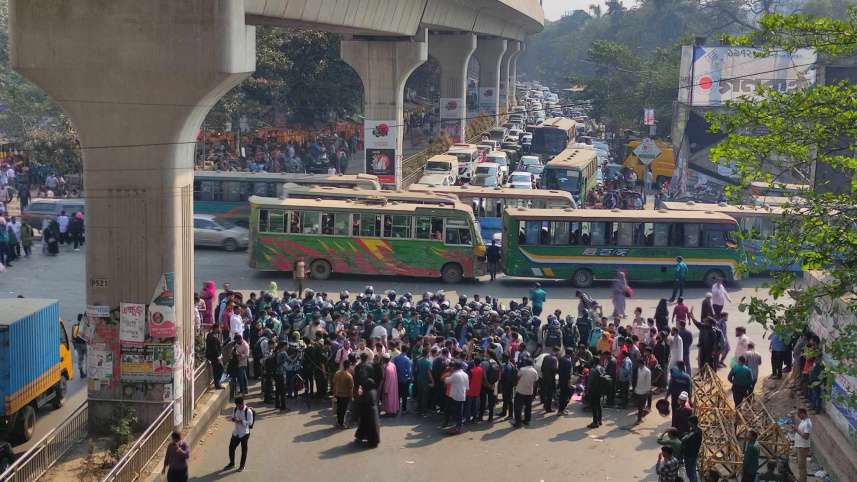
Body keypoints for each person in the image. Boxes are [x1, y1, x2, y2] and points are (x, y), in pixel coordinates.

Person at [224, 396, 253, 472]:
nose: (238, 407)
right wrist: (234, 420)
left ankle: (242, 465)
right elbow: (233, 417)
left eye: (239, 406)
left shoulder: (248, 411)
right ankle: (232, 463)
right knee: (231, 448)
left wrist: (241, 421)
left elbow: (250, 422)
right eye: (237, 406)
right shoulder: (235, 409)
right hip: (236, 432)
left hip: (244, 433)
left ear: (242, 404)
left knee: (244, 450)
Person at [354, 377, 381, 447]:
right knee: (372, 426)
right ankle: (373, 441)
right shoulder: (374, 391)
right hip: (373, 410)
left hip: (368, 411)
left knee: (365, 425)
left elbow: (363, 402)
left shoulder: (368, 393)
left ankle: (365, 438)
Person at [512, 358, 538, 428]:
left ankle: (518, 422)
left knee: (518, 407)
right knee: (528, 407)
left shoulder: (522, 369)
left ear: (526, 363)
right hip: (529, 391)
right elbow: (535, 382)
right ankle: (526, 420)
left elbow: (518, 376)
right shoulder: (535, 371)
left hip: (521, 390)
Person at [444, 360, 469, 433]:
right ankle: (459, 425)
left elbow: (446, 380)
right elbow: (467, 387)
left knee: (449, 409)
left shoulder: (456, 375)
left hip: (454, 395)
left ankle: (448, 421)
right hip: (462, 395)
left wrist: (447, 373)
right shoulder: (465, 374)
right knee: (459, 411)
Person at [333, 359, 354, 428]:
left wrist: (334, 393)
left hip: (338, 394)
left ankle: (339, 422)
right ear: (349, 366)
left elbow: (334, 384)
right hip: (345, 396)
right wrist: (351, 397)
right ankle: (342, 424)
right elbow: (351, 388)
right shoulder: (349, 376)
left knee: (339, 409)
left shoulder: (337, 373)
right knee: (344, 410)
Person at [681, 415, 703, 482]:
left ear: (691, 422)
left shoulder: (693, 432)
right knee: (693, 471)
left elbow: (683, 440)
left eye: (689, 422)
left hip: (689, 454)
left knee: (690, 473)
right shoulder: (699, 430)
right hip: (694, 454)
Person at [793, 408, 812, 482]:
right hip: (799, 445)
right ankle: (800, 479)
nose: (798, 416)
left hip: (803, 447)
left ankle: (803, 480)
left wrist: (797, 430)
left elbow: (806, 436)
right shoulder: (803, 421)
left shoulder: (808, 423)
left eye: (799, 414)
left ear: (803, 413)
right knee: (799, 465)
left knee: (802, 466)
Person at [586, 358, 605, 428]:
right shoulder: (601, 368)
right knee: (598, 405)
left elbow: (590, 382)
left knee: (594, 406)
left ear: (593, 361)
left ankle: (595, 422)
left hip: (593, 390)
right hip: (600, 389)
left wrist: (587, 391)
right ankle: (599, 420)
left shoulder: (592, 370)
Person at [633, 358, 652, 425]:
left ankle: (639, 419)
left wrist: (648, 391)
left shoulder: (647, 371)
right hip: (638, 389)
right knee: (639, 404)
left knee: (640, 405)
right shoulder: (639, 370)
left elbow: (648, 382)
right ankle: (643, 412)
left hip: (644, 391)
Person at [206, 324, 224, 389]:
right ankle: (217, 383)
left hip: (213, 356)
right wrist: (218, 358)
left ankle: (217, 383)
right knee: (220, 369)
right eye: (219, 328)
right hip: (214, 357)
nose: (220, 329)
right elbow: (215, 348)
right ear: (216, 328)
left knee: (217, 370)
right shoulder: (213, 337)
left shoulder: (211, 335)